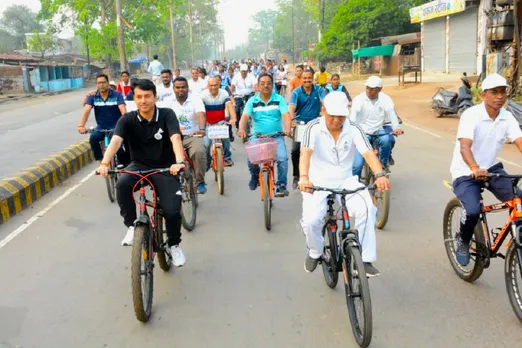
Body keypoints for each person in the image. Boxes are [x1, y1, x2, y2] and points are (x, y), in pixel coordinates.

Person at [298, 92, 390, 276]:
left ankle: (365, 259)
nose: (337, 120)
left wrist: (380, 174)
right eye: (332, 115)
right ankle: (315, 252)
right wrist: (303, 177)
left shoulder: (354, 128)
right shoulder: (312, 127)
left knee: (367, 208)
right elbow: (306, 153)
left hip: (346, 180)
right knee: (311, 221)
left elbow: (368, 153)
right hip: (316, 182)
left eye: (341, 116)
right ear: (323, 110)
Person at [96, 79, 187, 266]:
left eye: (147, 96)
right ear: (134, 99)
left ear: (155, 97)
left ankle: (174, 245)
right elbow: (115, 141)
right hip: (138, 166)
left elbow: (176, 138)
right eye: (139, 97)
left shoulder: (167, 115)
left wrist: (179, 162)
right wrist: (104, 163)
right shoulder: (127, 119)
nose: (143, 101)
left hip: (166, 168)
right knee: (122, 185)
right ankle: (131, 226)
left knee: (171, 210)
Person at [450, 73, 522, 266]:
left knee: (520, 202)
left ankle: (517, 238)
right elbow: (465, 146)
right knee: (473, 211)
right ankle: (463, 241)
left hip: (491, 168)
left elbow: (519, 141)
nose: (499, 96)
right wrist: (474, 167)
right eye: (494, 92)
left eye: (503, 92)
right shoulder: (471, 115)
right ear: (483, 95)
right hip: (466, 171)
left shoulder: (507, 117)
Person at [238, 73, 291, 196]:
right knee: (252, 159)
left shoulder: (279, 99)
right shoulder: (252, 101)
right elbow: (245, 117)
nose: (265, 86)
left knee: (282, 158)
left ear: (273, 85)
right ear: (257, 86)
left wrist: (288, 129)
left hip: (276, 135)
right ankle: (254, 175)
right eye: (262, 83)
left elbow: (286, 116)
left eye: (268, 83)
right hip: (258, 136)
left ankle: (281, 185)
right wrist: (241, 129)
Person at [351, 76, 403, 179]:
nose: (369, 91)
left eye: (372, 89)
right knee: (357, 165)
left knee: (387, 141)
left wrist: (396, 127)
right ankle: (354, 186)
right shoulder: (359, 99)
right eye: (367, 88)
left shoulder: (385, 99)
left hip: (378, 130)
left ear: (380, 89)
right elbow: (353, 116)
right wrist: (351, 130)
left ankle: (383, 164)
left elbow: (391, 113)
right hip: (363, 132)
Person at [165, 76, 208, 194]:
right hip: (173, 138)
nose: (181, 90)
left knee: (199, 151)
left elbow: (201, 114)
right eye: (177, 87)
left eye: (183, 87)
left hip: (192, 135)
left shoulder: (195, 99)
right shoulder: (167, 102)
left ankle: (200, 182)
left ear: (187, 88)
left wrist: (202, 129)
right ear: (173, 89)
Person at [78, 74, 129, 166]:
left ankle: (123, 165)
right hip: (101, 127)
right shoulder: (92, 97)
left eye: (103, 82)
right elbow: (86, 111)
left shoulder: (117, 95)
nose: (101, 85)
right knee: (93, 138)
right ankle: (101, 162)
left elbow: (123, 111)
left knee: (120, 146)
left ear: (108, 83)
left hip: (116, 127)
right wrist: (81, 125)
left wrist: (126, 124)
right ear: (96, 84)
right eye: (99, 83)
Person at [289, 69, 325, 189]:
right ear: (302, 79)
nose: (307, 80)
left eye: (309, 78)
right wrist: (292, 120)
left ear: (313, 78)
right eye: (305, 78)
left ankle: (320, 175)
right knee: (295, 150)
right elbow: (292, 108)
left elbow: (325, 103)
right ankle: (296, 175)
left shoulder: (319, 90)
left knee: (320, 149)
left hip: (316, 124)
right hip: (300, 125)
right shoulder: (296, 92)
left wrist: (326, 116)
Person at [200, 76, 237, 167]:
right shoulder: (203, 95)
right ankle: (208, 160)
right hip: (208, 123)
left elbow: (229, 106)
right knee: (206, 144)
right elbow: (200, 111)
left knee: (226, 140)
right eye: (211, 85)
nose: (213, 87)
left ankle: (227, 158)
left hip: (221, 122)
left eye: (215, 85)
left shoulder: (224, 93)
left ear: (219, 85)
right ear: (208, 86)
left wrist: (233, 118)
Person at [231, 64, 257, 129]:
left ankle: (255, 124)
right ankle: (238, 126)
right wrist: (230, 93)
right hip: (239, 96)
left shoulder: (251, 76)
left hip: (250, 94)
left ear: (247, 71)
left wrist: (258, 92)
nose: (243, 73)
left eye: (245, 71)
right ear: (240, 71)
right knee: (236, 110)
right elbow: (232, 86)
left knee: (255, 108)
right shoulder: (236, 77)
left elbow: (255, 86)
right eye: (242, 71)